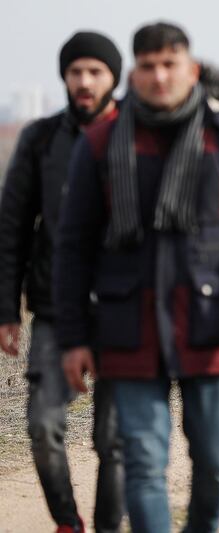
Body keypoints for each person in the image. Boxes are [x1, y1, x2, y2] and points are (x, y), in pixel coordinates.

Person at [53, 22, 219, 532]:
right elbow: (72, 248)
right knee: (142, 464)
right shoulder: (100, 143)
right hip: (127, 326)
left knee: (218, 465)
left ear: (191, 69)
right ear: (134, 74)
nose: (160, 76)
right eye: (149, 65)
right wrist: (73, 336)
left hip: (214, 324)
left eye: (170, 64)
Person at [0, 31, 124, 533]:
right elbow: (12, 226)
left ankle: (109, 524)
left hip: (122, 308)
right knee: (44, 426)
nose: (85, 81)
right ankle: (68, 523)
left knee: (115, 437)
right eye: (76, 72)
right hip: (55, 307)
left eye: (95, 71)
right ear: (64, 77)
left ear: (113, 76)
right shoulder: (41, 138)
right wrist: (7, 308)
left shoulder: (138, 135)